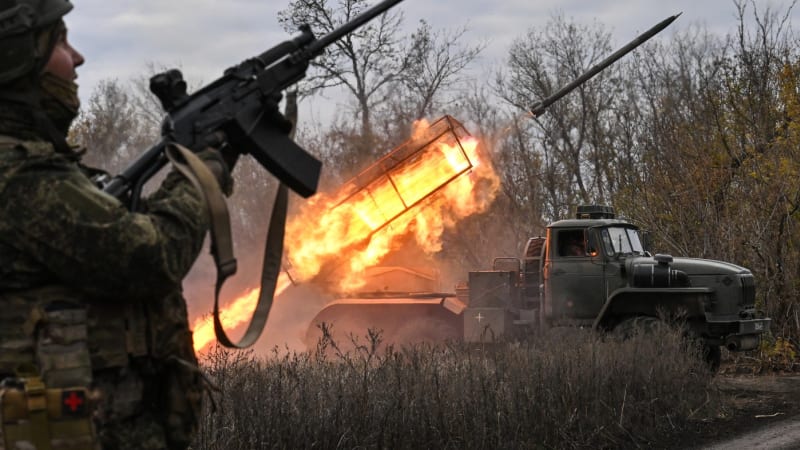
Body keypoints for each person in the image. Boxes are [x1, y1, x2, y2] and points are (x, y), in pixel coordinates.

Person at [0, 1, 287, 448]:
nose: (77, 57)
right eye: (60, 41)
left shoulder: (39, 168)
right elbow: (150, 254)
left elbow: (123, 232)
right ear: (19, 59)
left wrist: (213, 155)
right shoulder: (21, 179)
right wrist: (202, 171)